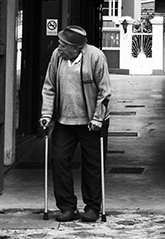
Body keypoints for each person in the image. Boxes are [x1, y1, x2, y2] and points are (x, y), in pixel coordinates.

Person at [40, 25, 112, 222]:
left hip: (91, 121)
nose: (59, 47)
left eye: (63, 45)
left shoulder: (95, 57)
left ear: (77, 48)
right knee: (60, 160)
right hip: (64, 120)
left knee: (92, 164)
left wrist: (98, 118)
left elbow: (104, 93)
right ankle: (67, 207)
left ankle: (92, 208)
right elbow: (49, 87)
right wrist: (47, 114)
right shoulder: (57, 56)